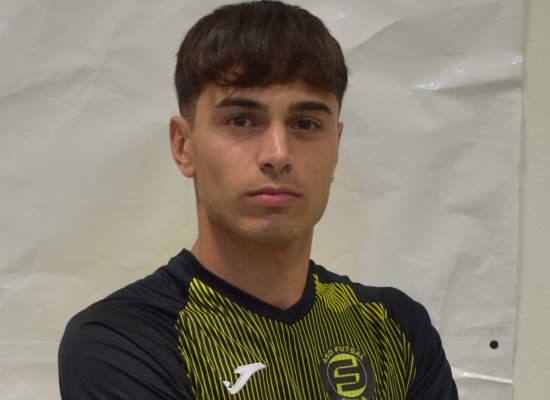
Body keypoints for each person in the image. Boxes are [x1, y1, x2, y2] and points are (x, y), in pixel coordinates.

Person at [58, 1, 458, 399]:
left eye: (305, 124)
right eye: (241, 120)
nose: (278, 154)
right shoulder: (122, 341)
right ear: (183, 146)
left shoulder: (397, 328)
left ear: (335, 147)